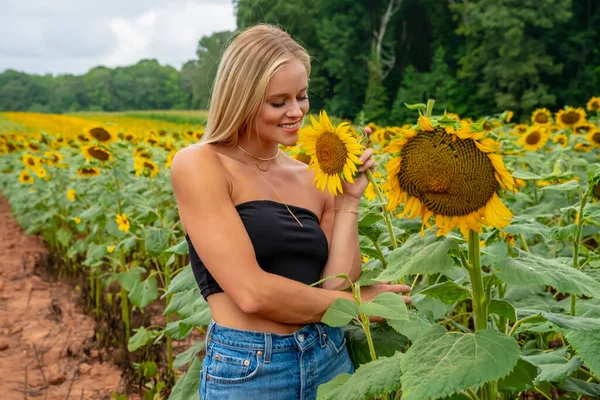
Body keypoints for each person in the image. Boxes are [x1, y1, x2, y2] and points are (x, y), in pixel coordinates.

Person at [170, 24, 411, 400]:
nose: (296, 111)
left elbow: (336, 284)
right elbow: (252, 293)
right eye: (278, 102)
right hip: (252, 368)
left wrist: (348, 201)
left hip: (329, 356)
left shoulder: (312, 174)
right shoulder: (201, 165)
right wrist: (359, 308)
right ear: (242, 99)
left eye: (302, 96)